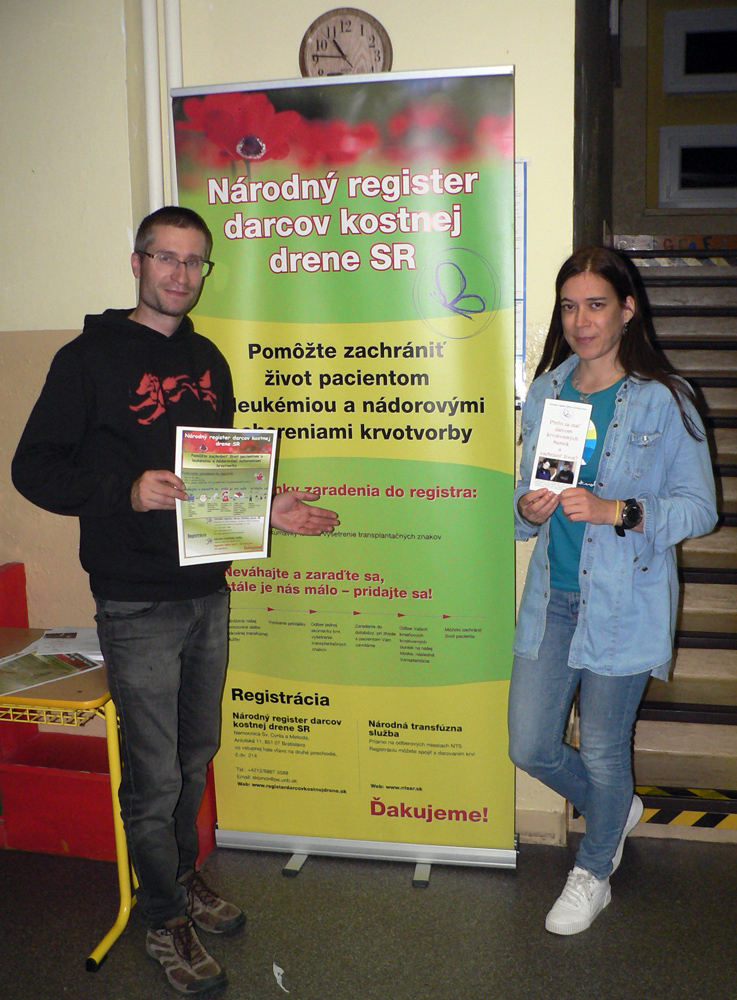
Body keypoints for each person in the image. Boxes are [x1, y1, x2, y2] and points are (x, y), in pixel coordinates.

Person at [12, 206, 338, 994]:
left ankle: (181, 882)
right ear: (137, 263)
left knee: (194, 758)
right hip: (135, 601)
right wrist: (124, 490)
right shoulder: (85, 360)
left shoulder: (208, 359)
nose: (180, 274)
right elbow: (33, 469)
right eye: (166, 258)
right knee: (154, 776)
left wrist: (264, 508)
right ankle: (161, 919)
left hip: (205, 590)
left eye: (194, 262)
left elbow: (214, 477)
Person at [509, 247, 717, 936]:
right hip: (553, 598)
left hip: (623, 602)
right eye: (569, 306)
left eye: (596, 304)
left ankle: (593, 870)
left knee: (602, 749)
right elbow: (522, 504)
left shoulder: (666, 398)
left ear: (627, 309)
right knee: (530, 745)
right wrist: (527, 509)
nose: (581, 321)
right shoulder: (547, 391)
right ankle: (612, 807)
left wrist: (616, 510)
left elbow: (700, 510)